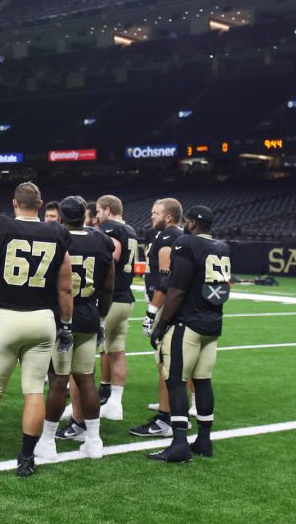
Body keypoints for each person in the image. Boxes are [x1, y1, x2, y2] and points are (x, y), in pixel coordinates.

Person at [0, 182, 73, 479]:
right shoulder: (58, 232)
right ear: (41, 203)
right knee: (34, 390)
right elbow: (65, 287)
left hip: (6, 319)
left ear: (14, 203)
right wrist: (67, 325)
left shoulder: (1, 227)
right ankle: (26, 460)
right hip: (42, 320)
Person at [149, 206, 229, 463]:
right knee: (203, 380)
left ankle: (180, 443)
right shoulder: (222, 247)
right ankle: (204, 440)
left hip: (188, 323)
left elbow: (177, 290)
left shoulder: (186, 243)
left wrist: (161, 325)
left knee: (176, 381)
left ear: (192, 223)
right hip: (212, 322)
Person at [38, 195, 113, 461]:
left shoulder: (56, 239)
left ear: (60, 217)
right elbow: (107, 287)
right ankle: (94, 441)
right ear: (85, 216)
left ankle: (47, 441)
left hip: (63, 316)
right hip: (89, 314)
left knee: (58, 380)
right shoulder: (102, 240)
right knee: (86, 379)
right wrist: (102, 319)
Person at [132, 198, 196, 438]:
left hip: (168, 307)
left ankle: (165, 418)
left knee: (165, 363)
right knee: (178, 361)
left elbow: (166, 279)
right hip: (181, 307)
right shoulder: (179, 236)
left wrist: (151, 311)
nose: (151, 216)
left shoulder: (168, 238)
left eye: (155, 212)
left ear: (168, 217)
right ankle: (180, 411)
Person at [95, 194, 138, 421]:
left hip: (111, 298)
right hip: (126, 299)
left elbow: (111, 258)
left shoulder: (110, 227)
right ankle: (115, 403)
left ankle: (80, 415)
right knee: (116, 350)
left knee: (80, 352)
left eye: (100, 211)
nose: (98, 215)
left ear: (108, 211)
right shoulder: (130, 229)